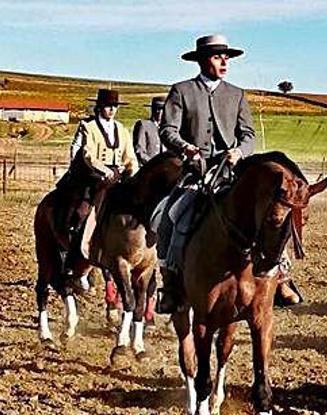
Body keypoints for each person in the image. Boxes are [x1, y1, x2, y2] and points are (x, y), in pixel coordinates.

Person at [156, 34, 255, 313]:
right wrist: (186, 148)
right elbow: (167, 130)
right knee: (172, 217)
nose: (224, 62)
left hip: (230, 172)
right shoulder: (182, 91)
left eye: (226, 57)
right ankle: (172, 282)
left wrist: (240, 151)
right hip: (195, 173)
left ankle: (280, 276)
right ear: (202, 60)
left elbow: (248, 134)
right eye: (216, 56)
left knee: (264, 214)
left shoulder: (237, 94)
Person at [57, 88, 137, 277]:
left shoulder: (122, 130)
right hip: (95, 177)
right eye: (108, 106)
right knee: (81, 213)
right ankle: (73, 256)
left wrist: (132, 173)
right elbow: (88, 154)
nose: (112, 110)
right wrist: (104, 170)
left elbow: (130, 156)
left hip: (118, 177)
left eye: (114, 107)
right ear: (99, 107)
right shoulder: (89, 127)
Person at [132, 96, 165, 166]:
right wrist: (153, 165)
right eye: (157, 108)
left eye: (162, 109)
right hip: (148, 169)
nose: (159, 112)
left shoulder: (168, 129)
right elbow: (139, 150)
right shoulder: (143, 125)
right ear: (152, 109)